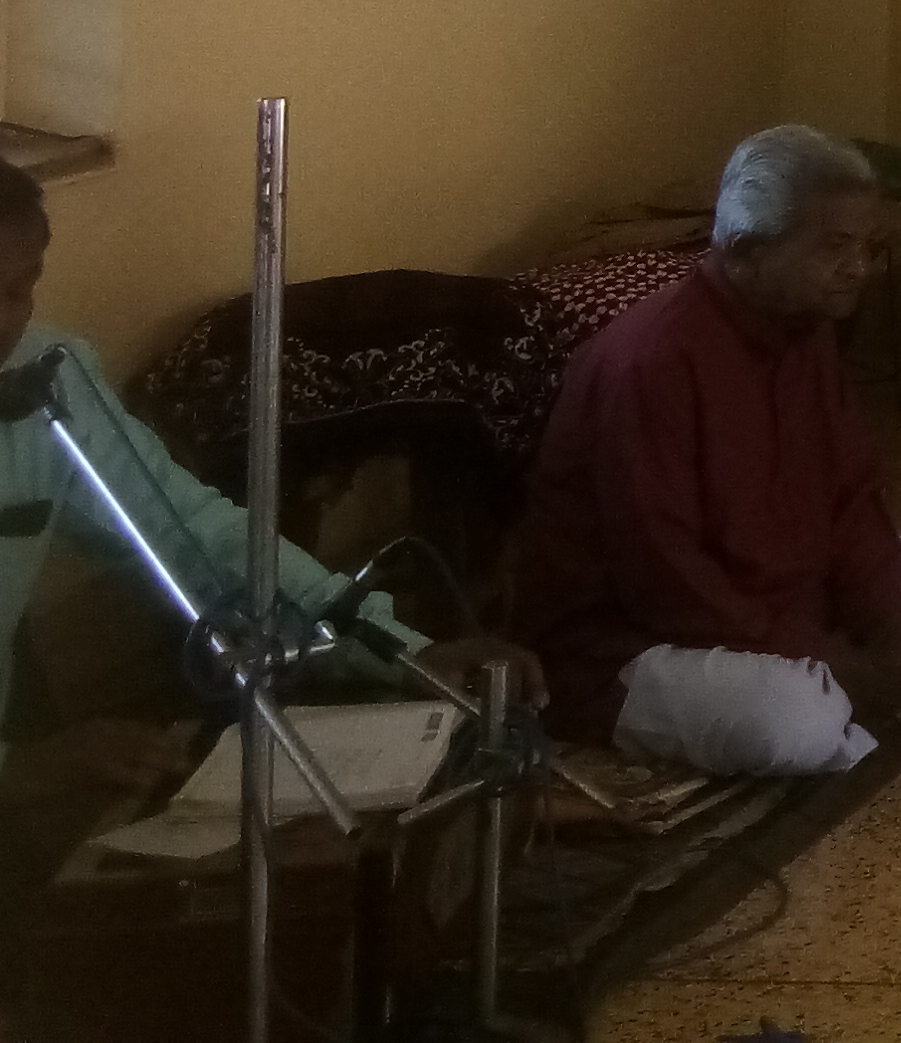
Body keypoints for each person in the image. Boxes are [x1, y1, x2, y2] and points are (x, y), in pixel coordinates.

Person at [0, 161, 520, 878]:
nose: (5, 323)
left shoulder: (45, 379)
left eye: (19, 290)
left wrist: (398, 648)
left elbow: (192, 533)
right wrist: (21, 770)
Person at [510, 128, 901, 775]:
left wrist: (888, 624)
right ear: (747, 249)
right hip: (639, 642)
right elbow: (665, 580)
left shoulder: (805, 332)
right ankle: (857, 697)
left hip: (791, 613)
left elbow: (852, 503)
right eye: (835, 247)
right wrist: (837, 661)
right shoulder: (653, 362)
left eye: (868, 247)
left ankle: (885, 679)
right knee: (792, 723)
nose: (859, 268)